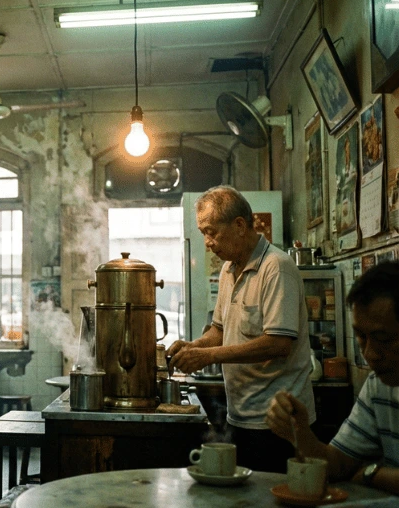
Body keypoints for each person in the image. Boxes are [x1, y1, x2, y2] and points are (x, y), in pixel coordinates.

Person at [167, 185, 315, 473]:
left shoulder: (277, 268)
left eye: (211, 232)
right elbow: (219, 331)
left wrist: (210, 357)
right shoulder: (228, 269)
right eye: (203, 234)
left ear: (238, 226)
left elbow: (278, 344)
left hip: (277, 422)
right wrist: (194, 346)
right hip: (240, 415)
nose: (207, 242)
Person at [266, 261, 399, 495]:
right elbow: (337, 466)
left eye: (384, 338)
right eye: (361, 336)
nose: (370, 354)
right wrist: (300, 433)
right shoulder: (378, 386)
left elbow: (356, 473)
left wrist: (371, 474)